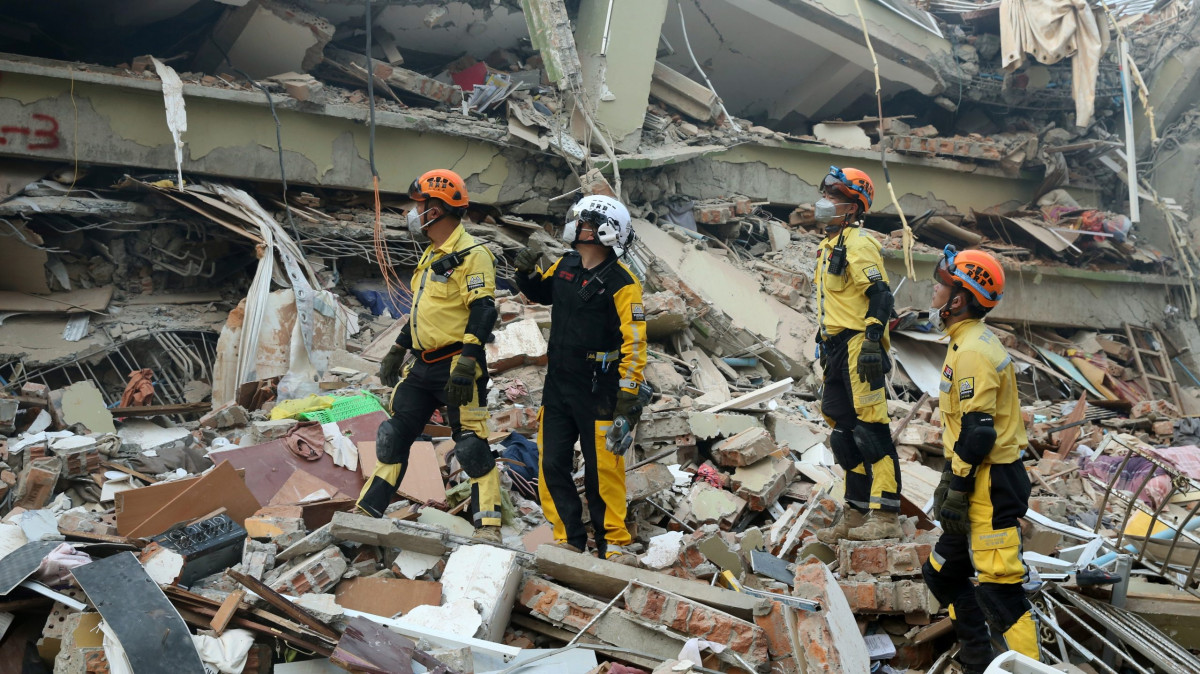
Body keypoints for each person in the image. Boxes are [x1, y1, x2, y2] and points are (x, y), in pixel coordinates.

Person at [360, 169, 504, 543]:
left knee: (471, 445)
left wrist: (468, 363)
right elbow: (424, 313)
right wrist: (397, 349)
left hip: (458, 366)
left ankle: (487, 528)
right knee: (393, 435)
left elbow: (483, 311)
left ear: (436, 210)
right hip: (422, 366)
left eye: (418, 205)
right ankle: (366, 511)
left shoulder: (473, 255)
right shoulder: (430, 255)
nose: (412, 212)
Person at [922, 246, 1041, 671]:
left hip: (990, 483)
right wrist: (949, 479)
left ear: (959, 298)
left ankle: (1027, 669)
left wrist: (956, 486)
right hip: (972, 477)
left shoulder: (973, 350)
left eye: (942, 283)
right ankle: (978, 660)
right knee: (943, 573)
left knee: (999, 591)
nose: (933, 288)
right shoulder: (962, 342)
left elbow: (979, 433)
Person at [512, 195, 647, 565]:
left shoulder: (623, 283)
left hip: (599, 386)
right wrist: (523, 272)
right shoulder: (566, 264)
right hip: (559, 382)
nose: (573, 225)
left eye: (581, 221)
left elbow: (635, 344)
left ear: (602, 230)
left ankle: (614, 544)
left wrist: (627, 397)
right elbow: (540, 291)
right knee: (551, 462)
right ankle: (568, 539)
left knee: (602, 468)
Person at [811, 165, 904, 544]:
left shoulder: (858, 244)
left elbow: (881, 295)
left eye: (834, 196)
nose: (825, 202)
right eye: (826, 193)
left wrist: (870, 340)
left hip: (856, 348)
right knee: (843, 433)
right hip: (835, 349)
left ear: (852, 208)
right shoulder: (828, 246)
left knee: (871, 431)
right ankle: (856, 510)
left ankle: (886, 515)